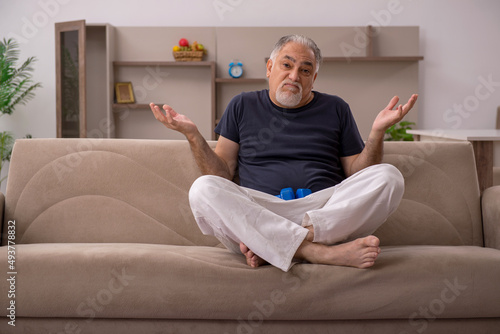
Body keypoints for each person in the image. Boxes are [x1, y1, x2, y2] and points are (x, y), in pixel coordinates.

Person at [150, 34, 418, 272]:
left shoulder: (336, 108)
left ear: (313, 78)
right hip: (259, 210)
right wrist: (193, 135)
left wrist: (377, 133)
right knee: (203, 188)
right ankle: (317, 252)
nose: (294, 76)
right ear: (270, 67)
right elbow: (221, 174)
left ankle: (273, 246)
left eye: (305, 70)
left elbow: (357, 175)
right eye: (286, 65)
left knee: (389, 176)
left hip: (322, 214)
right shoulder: (242, 105)